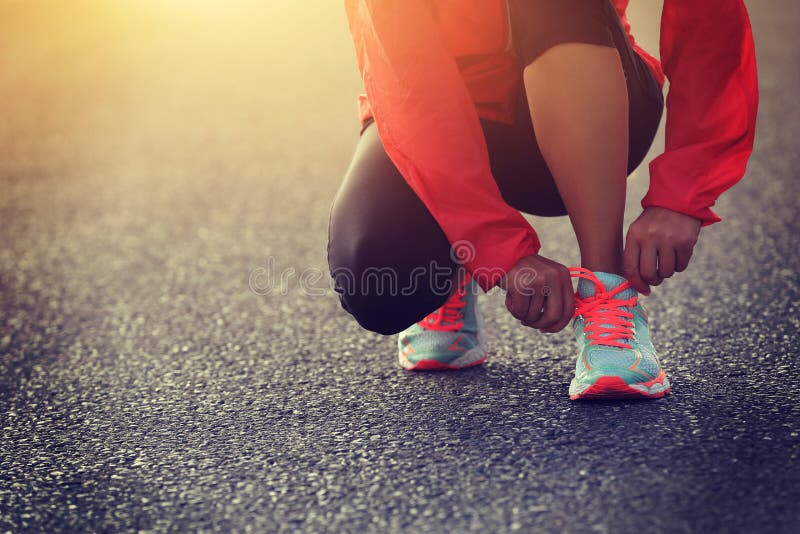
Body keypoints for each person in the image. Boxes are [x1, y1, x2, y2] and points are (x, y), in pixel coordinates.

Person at [328, 0, 758, 400]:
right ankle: (451, 262)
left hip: (587, 90)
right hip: (439, 115)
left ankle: (607, 294)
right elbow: (406, 79)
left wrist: (684, 194)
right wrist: (495, 249)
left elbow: (709, 17)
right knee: (378, 279)